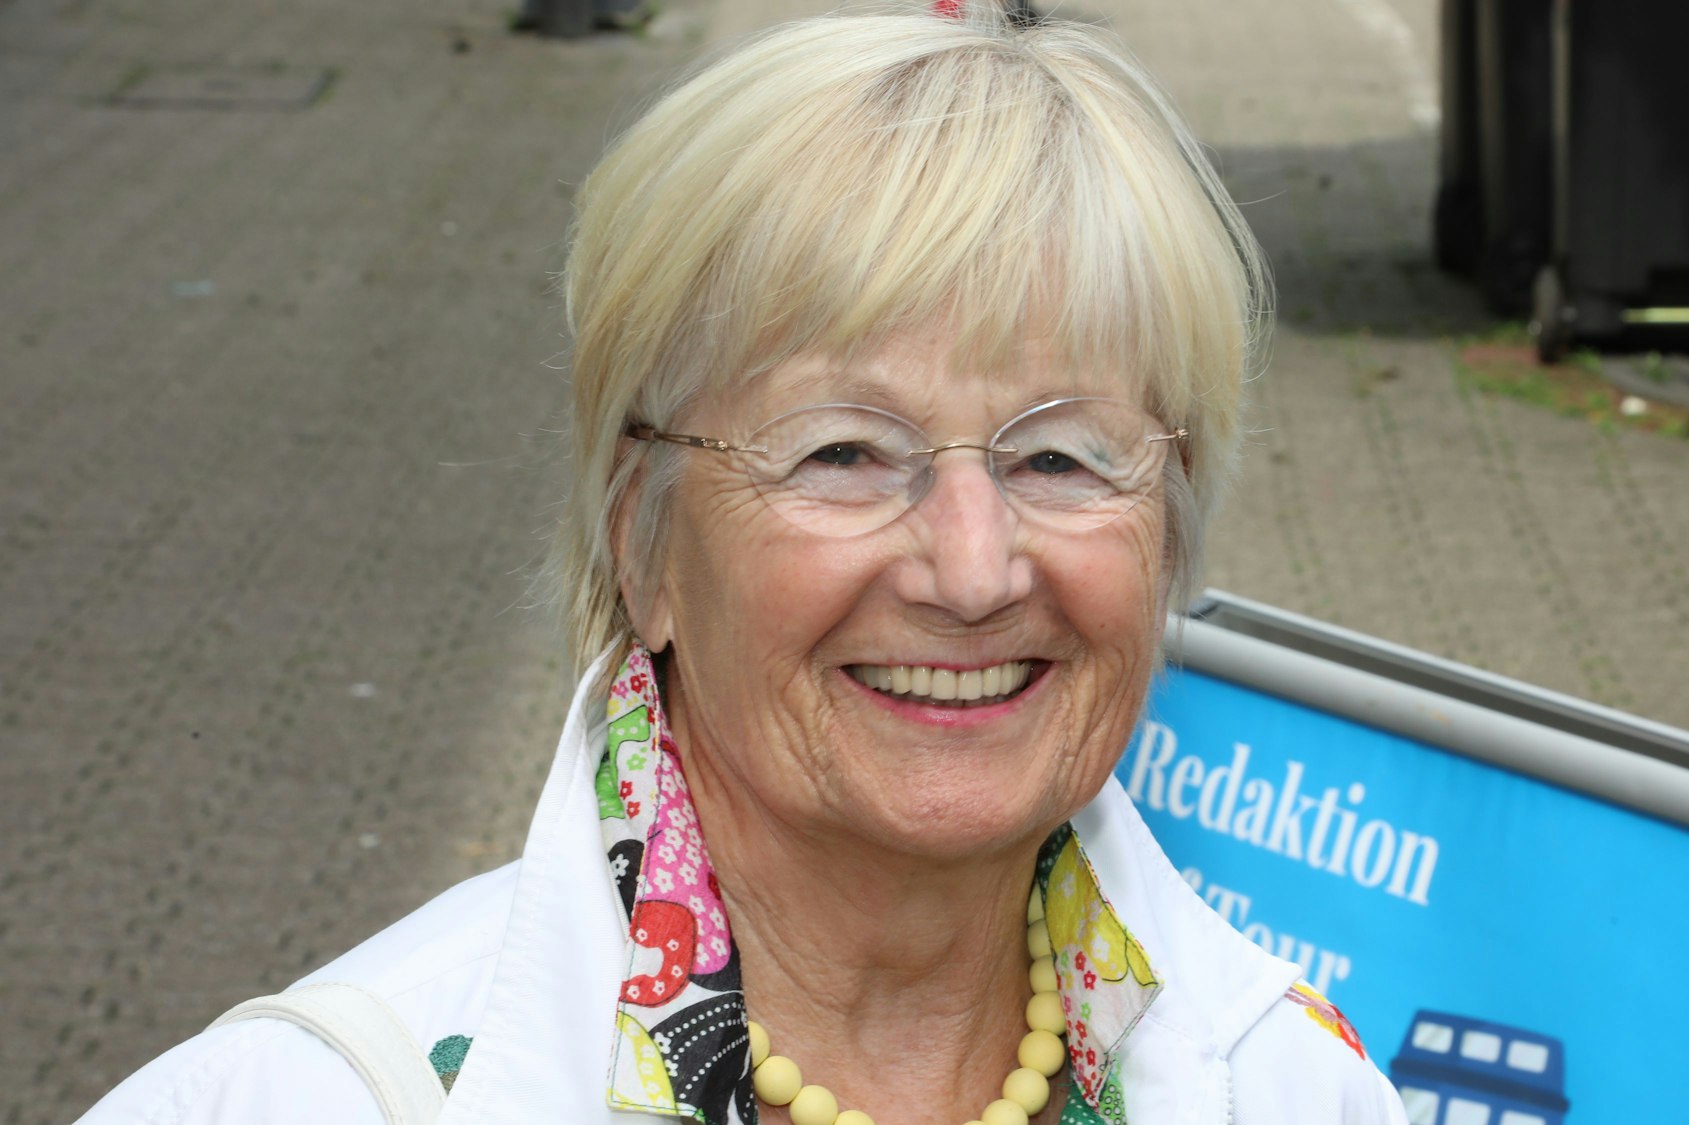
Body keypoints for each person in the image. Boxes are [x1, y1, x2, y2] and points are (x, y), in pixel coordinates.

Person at [78, 8, 1407, 1124]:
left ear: (1169, 526)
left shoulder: (1298, 1082)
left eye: (1058, 458)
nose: (972, 565)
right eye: (842, 451)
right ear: (640, 535)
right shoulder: (313, 1097)